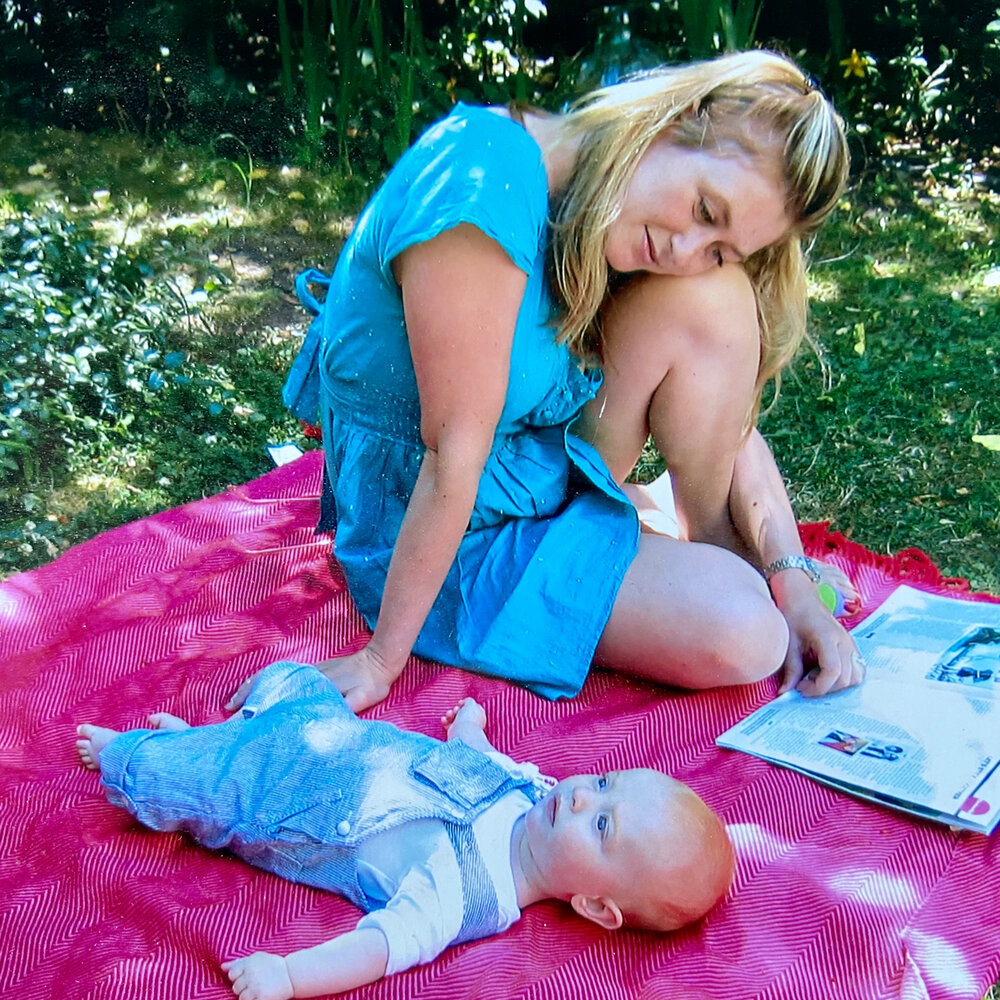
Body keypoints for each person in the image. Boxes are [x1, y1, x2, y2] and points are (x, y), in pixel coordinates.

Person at [238, 48, 865, 717]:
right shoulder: (485, 185)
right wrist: (381, 660)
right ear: (671, 121)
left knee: (719, 301)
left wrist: (789, 574)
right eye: (705, 209)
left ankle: (721, 551)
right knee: (747, 635)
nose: (687, 251)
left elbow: (732, 426)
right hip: (439, 529)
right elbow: (453, 456)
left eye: (718, 244)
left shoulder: (607, 201)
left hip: (534, 468)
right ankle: (703, 558)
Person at [76, 661, 736, 1000]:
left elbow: (381, 947)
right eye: (607, 781)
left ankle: (138, 757)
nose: (582, 793)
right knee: (302, 681)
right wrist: (471, 729)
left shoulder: (471, 894)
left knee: (191, 785)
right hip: (332, 738)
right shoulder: (533, 792)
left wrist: (290, 976)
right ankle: (216, 738)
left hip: (282, 807)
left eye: (601, 824)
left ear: (594, 904)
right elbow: (486, 764)